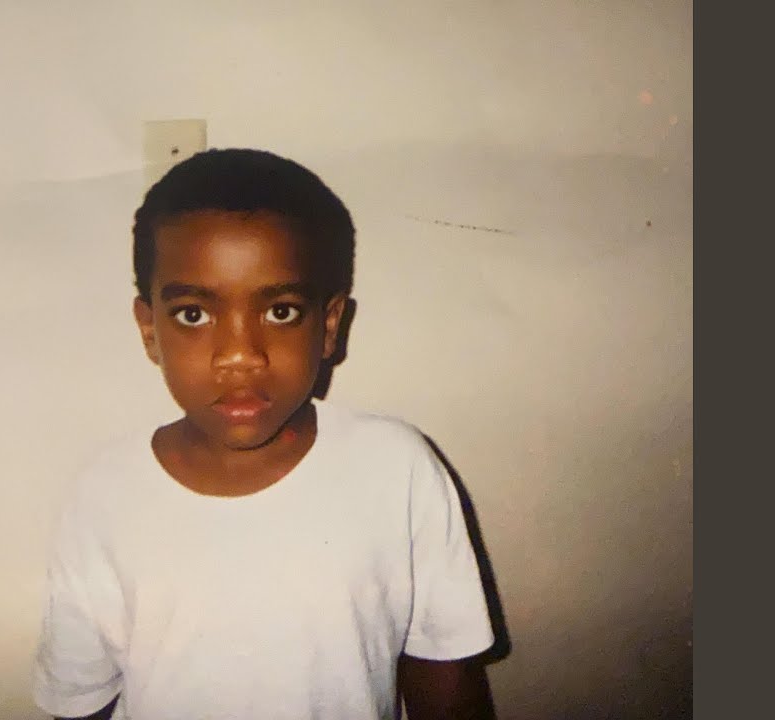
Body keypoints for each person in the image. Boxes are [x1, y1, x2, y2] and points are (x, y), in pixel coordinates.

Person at [33, 148, 497, 720]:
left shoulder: (396, 469)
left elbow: (444, 676)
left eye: (280, 312)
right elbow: (81, 702)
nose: (241, 356)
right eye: (194, 314)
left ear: (329, 326)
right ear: (149, 329)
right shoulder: (103, 495)